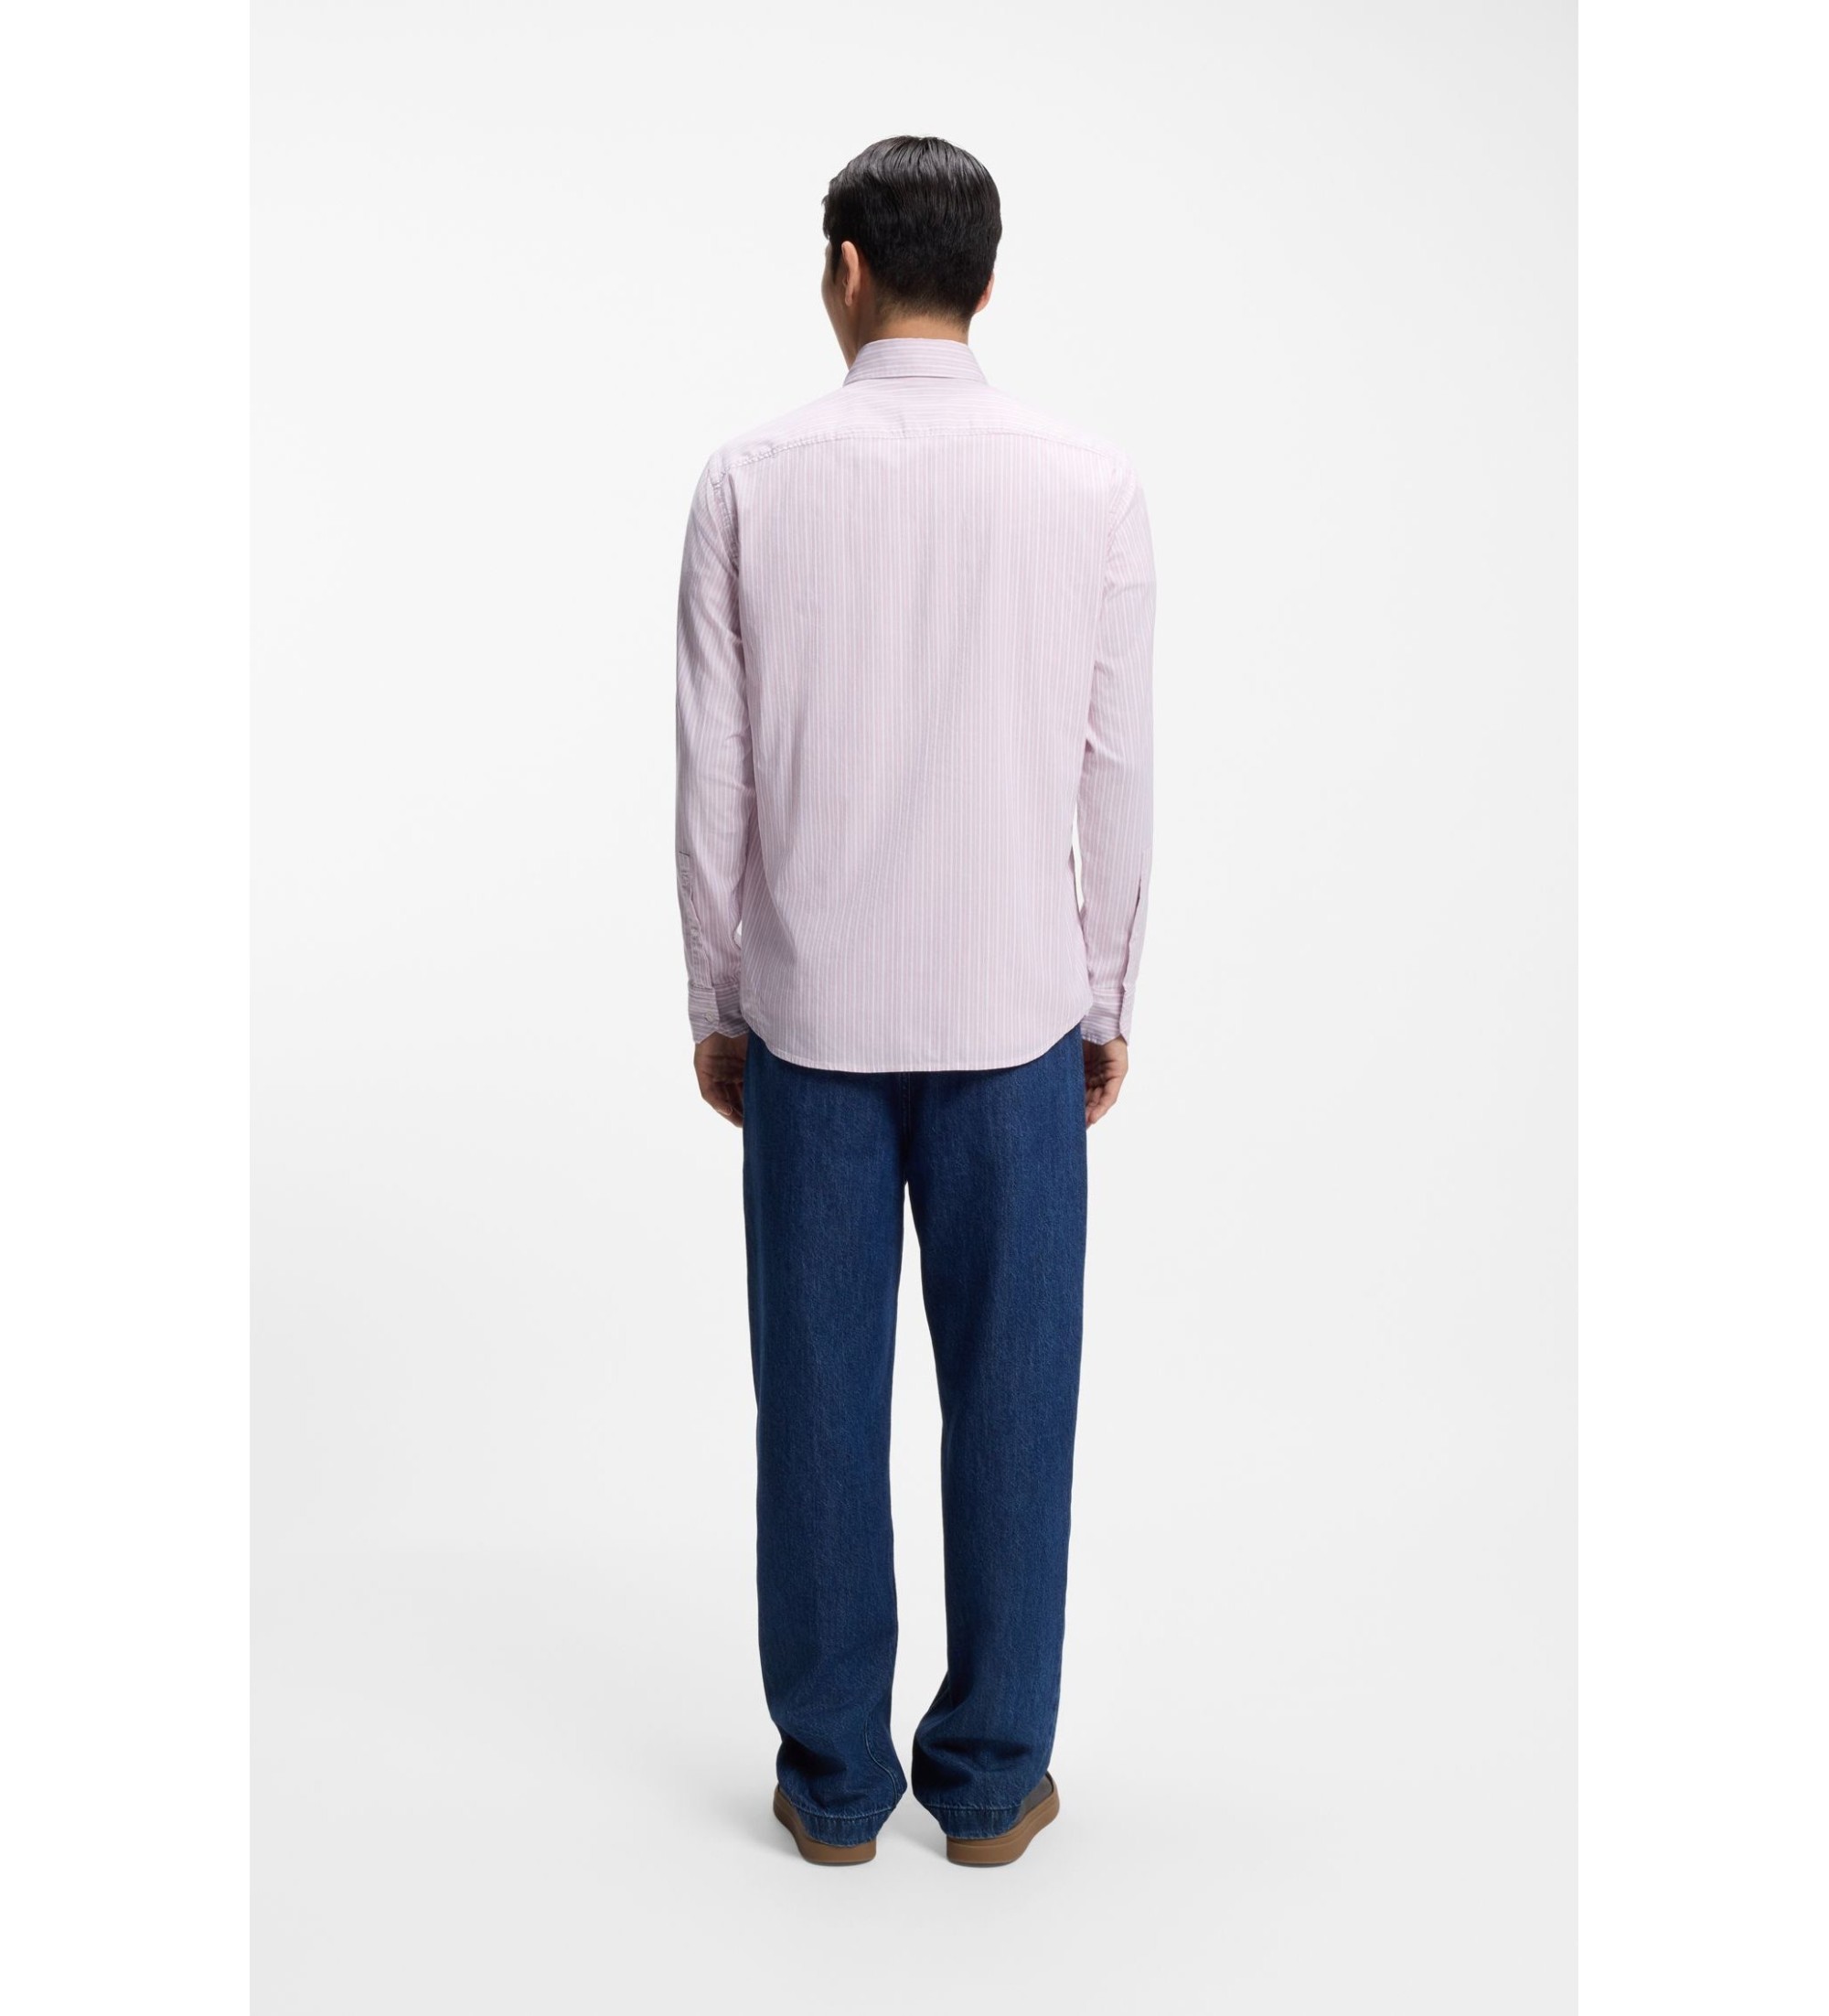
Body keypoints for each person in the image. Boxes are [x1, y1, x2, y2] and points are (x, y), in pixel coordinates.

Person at [673, 134, 1154, 1867]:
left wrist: (720, 996)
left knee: (814, 1404)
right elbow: (1116, 770)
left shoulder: (748, 480)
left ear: (848, 271)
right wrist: (1104, 997)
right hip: (1014, 1018)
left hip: (810, 1022)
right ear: (988, 281)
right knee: (1016, 1401)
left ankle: (831, 1787)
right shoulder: (1091, 484)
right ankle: (992, 1777)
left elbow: (714, 777)